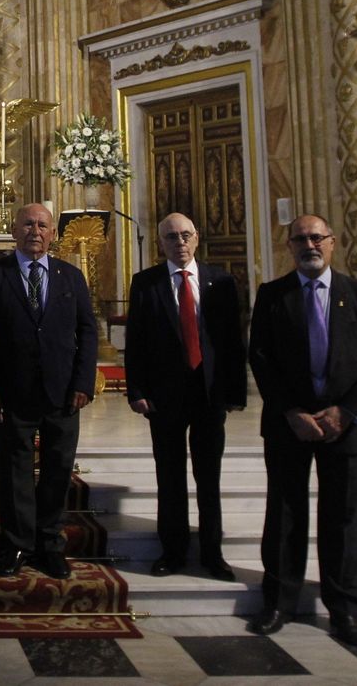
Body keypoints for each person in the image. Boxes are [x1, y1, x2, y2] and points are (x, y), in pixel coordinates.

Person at [247, 214, 357, 647]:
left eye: (316, 238)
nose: (309, 245)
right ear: (288, 245)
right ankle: (279, 603)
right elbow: (261, 357)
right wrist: (290, 410)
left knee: (342, 520)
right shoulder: (272, 295)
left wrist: (346, 412)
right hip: (290, 423)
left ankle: (345, 610)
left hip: (347, 426)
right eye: (300, 239)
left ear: (332, 243)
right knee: (285, 515)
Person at [0, 203, 98, 580]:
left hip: (63, 393)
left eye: (43, 225)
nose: (35, 231)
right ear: (14, 230)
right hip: (13, 391)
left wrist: (83, 383)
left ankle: (49, 543)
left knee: (58, 470)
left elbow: (88, 332)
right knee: (15, 473)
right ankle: (16, 544)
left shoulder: (71, 277)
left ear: (53, 234)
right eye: (28, 224)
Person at [124, 212, 245, 581]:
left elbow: (232, 342)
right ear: (161, 242)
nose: (179, 242)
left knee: (209, 478)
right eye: (172, 237)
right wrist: (137, 391)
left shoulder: (220, 281)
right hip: (165, 396)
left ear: (197, 238)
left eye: (185, 235)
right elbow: (136, 343)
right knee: (170, 477)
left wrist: (234, 393)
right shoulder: (146, 283)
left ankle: (213, 553)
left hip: (208, 395)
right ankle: (172, 552)